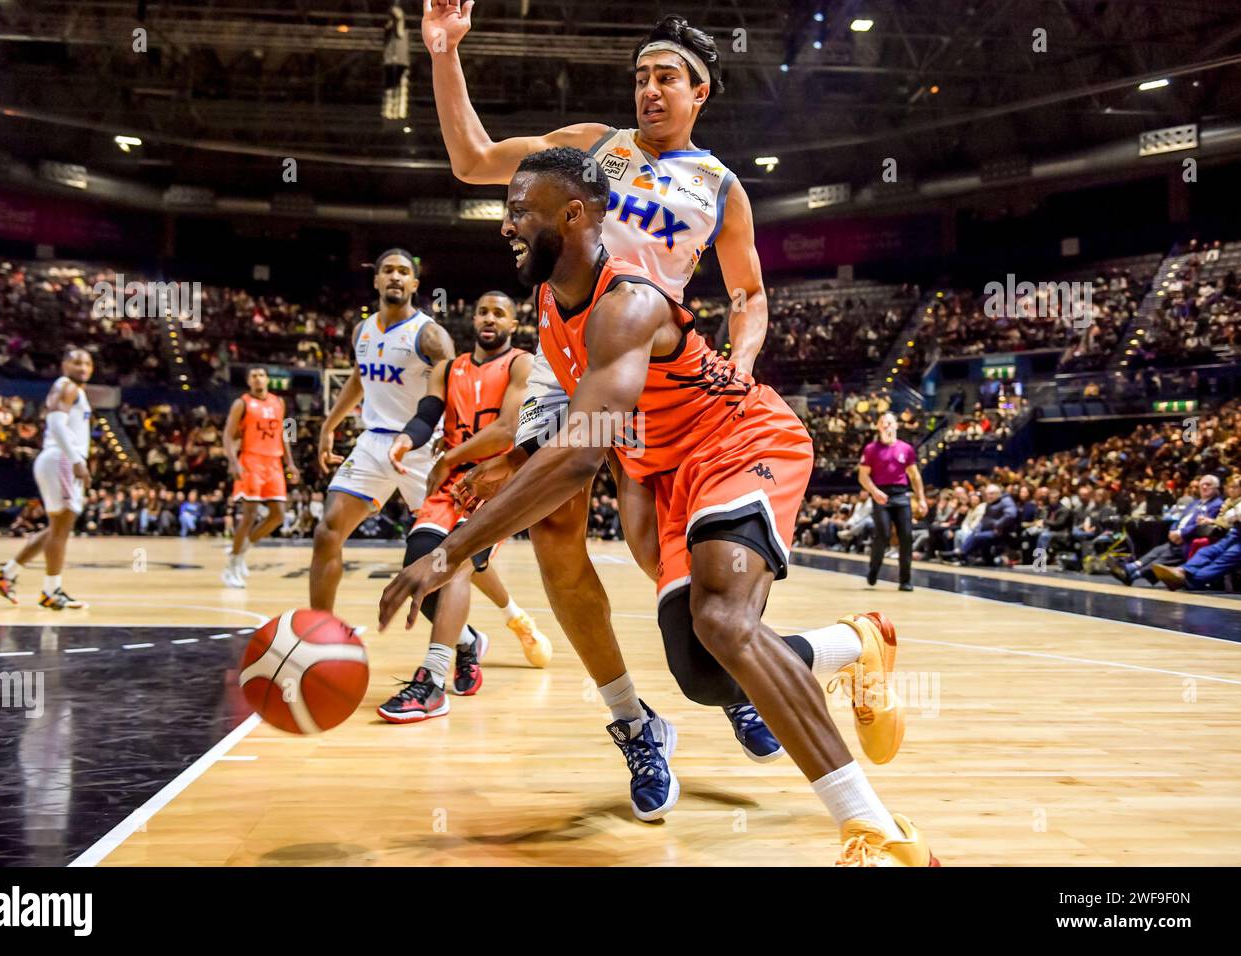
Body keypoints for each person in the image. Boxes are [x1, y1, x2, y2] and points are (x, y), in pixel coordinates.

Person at [381, 148, 936, 865]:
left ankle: (876, 832)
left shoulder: (629, 303)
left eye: (520, 210)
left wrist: (451, 550)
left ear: (574, 215)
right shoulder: (552, 302)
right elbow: (587, 432)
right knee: (707, 675)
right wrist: (513, 461)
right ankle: (856, 644)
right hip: (666, 471)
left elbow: (581, 451)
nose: (506, 225)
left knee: (722, 621)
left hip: (742, 442)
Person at [424, 2, 784, 786]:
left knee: (661, 552)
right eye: (641, 78)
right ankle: (632, 718)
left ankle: (736, 681)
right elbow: (473, 159)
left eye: (666, 78)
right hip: (566, 356)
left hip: (659, 370)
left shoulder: (721, 187)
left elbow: (749, 295)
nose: (650, 91)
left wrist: (742, 362)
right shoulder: (592, 149)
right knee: (554, 533)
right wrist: (446, 52)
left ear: (700, 94)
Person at [376, 292, 552, 721]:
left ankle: (433, 681)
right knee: (420, 565)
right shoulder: (447, 368)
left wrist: (449, 457)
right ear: (472, 319)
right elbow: (426, 413)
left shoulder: (521, 364)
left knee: (451, 561)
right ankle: (467, 641)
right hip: (449, 481)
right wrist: (406, 439)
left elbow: (508, 428)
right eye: (483, 311)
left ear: (513, 324)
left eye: (499, 312)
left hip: (494, 481)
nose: (489, 318)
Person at [310, 248, 456, 612]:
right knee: (328, 532)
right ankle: (320, 629)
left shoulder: (430, 336)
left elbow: (459, 389)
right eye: (387, 270)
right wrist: (330, 424)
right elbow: (360, 379)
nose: (395, 276)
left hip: (423, 447)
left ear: (414, 283)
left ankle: (511, 615)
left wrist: (454, 445)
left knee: (456, 548)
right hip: (373, 442)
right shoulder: (362, 330)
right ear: (376, 280)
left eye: (403, 271)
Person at [0, 347, 95, 609]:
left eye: (87, 363)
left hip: (55, 459)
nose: (82, 367)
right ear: (64, 365)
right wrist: (77, 461)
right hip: (61, 458)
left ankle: (7, 574)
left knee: (55, 529)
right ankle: (51, 590)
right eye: (76, 362)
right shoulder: (68, 386)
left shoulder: (73, 389)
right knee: (61, 529)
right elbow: (57, 424)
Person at [221, 366, 299, 588]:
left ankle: (241, 549)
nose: (258, 379)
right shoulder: (242, 403)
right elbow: (227, 435)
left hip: (274, 463)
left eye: (261, 375)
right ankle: (231, 567)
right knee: (250, 514)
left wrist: (290, 463)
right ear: (248, 381)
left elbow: (283, 433)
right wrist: (233, 462)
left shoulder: (278, 402)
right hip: (251, 461)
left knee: (278, 515)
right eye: (253, 376)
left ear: (267, 379)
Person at [858, 411, 927, 591]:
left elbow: (915, 476)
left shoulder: (906, 448)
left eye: (890, 422)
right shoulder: (871, 449)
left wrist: (921, 499)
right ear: (878, 426)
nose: (887, 425)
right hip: (881, 494)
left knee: (906, 536)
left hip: (901, 495)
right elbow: (863, 476)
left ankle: (905, 580)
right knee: (883, 535)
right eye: (883, 422)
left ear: (896, 425)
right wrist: (874, 492)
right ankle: (874, 569)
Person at [1113, 473, 1222, 585]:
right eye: (1202, 485)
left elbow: (1201, 526)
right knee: (1157, 551)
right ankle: (1131, 567)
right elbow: (1179, 519)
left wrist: (1181, 533)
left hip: (1189, 540)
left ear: (1216, 488)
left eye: (1208, 485)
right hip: (1178, 538)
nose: (1204, 487)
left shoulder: (1216, 504)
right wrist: (1172, 530)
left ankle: (1133, 574)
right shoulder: (1194, 503)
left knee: (1164, 558)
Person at [958, 484, 1017, 565]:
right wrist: (977, 529)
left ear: (998, 493)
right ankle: (965, 555)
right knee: (974, 534)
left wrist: (998, 525)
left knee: (977, 537)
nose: (989, 496)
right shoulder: (990, 503)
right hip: (989, 530)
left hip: (1001, 532)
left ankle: (962, 554)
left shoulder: (1006, 501)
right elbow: (983, 520)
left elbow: (1011, 515)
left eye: (991, 493)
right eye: (987, 494)